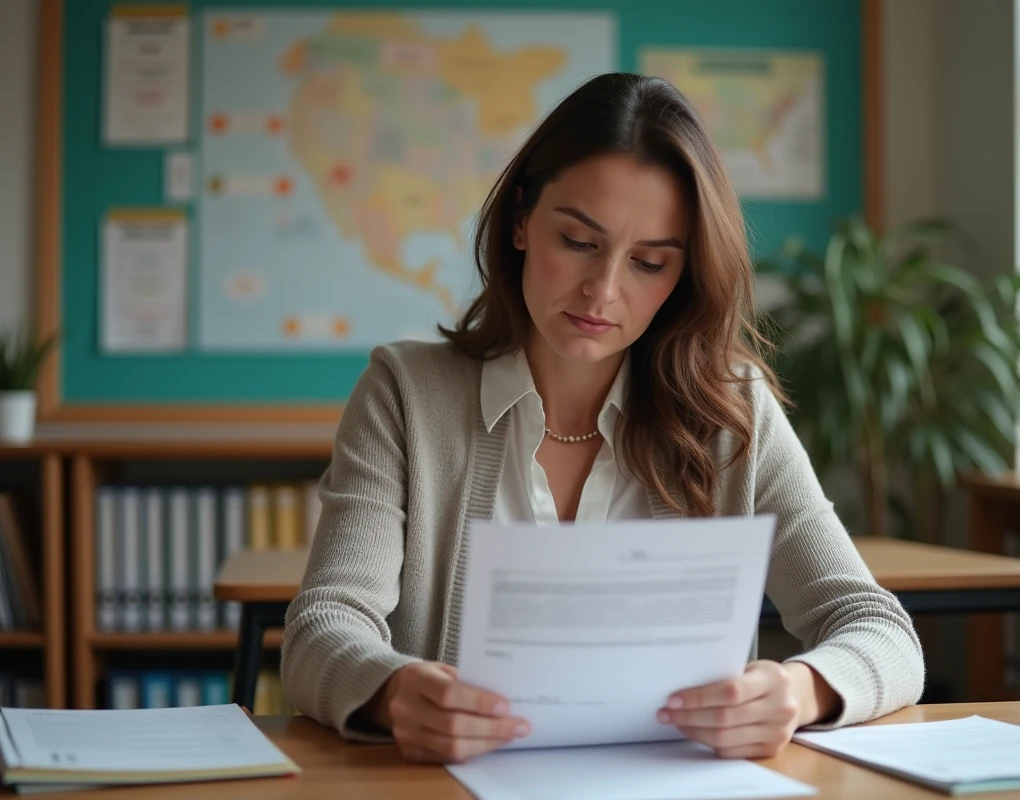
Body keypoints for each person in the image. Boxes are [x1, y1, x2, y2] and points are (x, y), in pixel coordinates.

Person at [281, 72, 924, 764]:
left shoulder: (730, 413)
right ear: (522, 219)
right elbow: (321, 628)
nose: (604, 290)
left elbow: (879, 628)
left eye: (650, 262)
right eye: (580, 243)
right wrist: (393, 691)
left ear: (683, 277)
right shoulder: (404, 395)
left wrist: (800, 691)